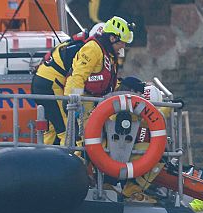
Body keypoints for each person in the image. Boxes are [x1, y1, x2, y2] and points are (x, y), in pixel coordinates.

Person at [63, 16, 134, 144]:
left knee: (98, 139)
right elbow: (78, 76)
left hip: (93, 100)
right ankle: (81, 163)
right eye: (121, 43)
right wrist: (76, 101)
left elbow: (108, 80)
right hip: (79, 100)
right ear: (112, 38)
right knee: (84, 141)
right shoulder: (93, 49)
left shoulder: (108, 53)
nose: (123, 47)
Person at [31, 23, 105, 145]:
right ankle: (67, 162)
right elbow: (77, 77)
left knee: (53, 129)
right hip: (51, 85)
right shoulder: (87, 50)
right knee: (67, 130)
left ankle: (44, 159)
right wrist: (75, 99)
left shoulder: (74, 45)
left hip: (40, 82)